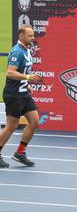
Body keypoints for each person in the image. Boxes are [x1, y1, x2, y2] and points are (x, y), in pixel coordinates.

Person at [0, 25, 42, 168]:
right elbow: (10, 73)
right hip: (13, 95)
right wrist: (28, 77)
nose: (33, 38)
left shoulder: (27, 50)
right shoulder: (16, 52)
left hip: (24, 93)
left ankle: (20, 153)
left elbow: (20, 71)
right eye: (30, 35)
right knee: (11, 126)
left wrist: (26, 83)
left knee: (34, 120)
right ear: (21, 36)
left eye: (33, 35)